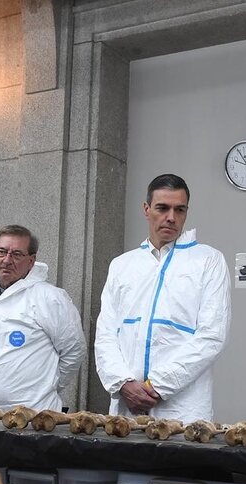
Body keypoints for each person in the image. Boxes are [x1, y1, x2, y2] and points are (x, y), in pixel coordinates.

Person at [94, 174, 231, 423]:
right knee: (124, 462)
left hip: (182, 408)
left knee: (178, 462)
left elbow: (212, 336)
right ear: (146, 209)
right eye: (162, 208)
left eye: (180, 210)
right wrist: (122, 382)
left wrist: (156, 386)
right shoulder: (123, 265)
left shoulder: (208, 261)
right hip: (127, 405)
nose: (171, 217)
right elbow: (105, 334)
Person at [0, 225, 86, 413]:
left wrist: (47, 385)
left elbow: (74, 351)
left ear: (31, 260)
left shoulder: (51, 298)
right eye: (2, 252)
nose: (7, 260)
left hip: (33, 418)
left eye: (16, 254)